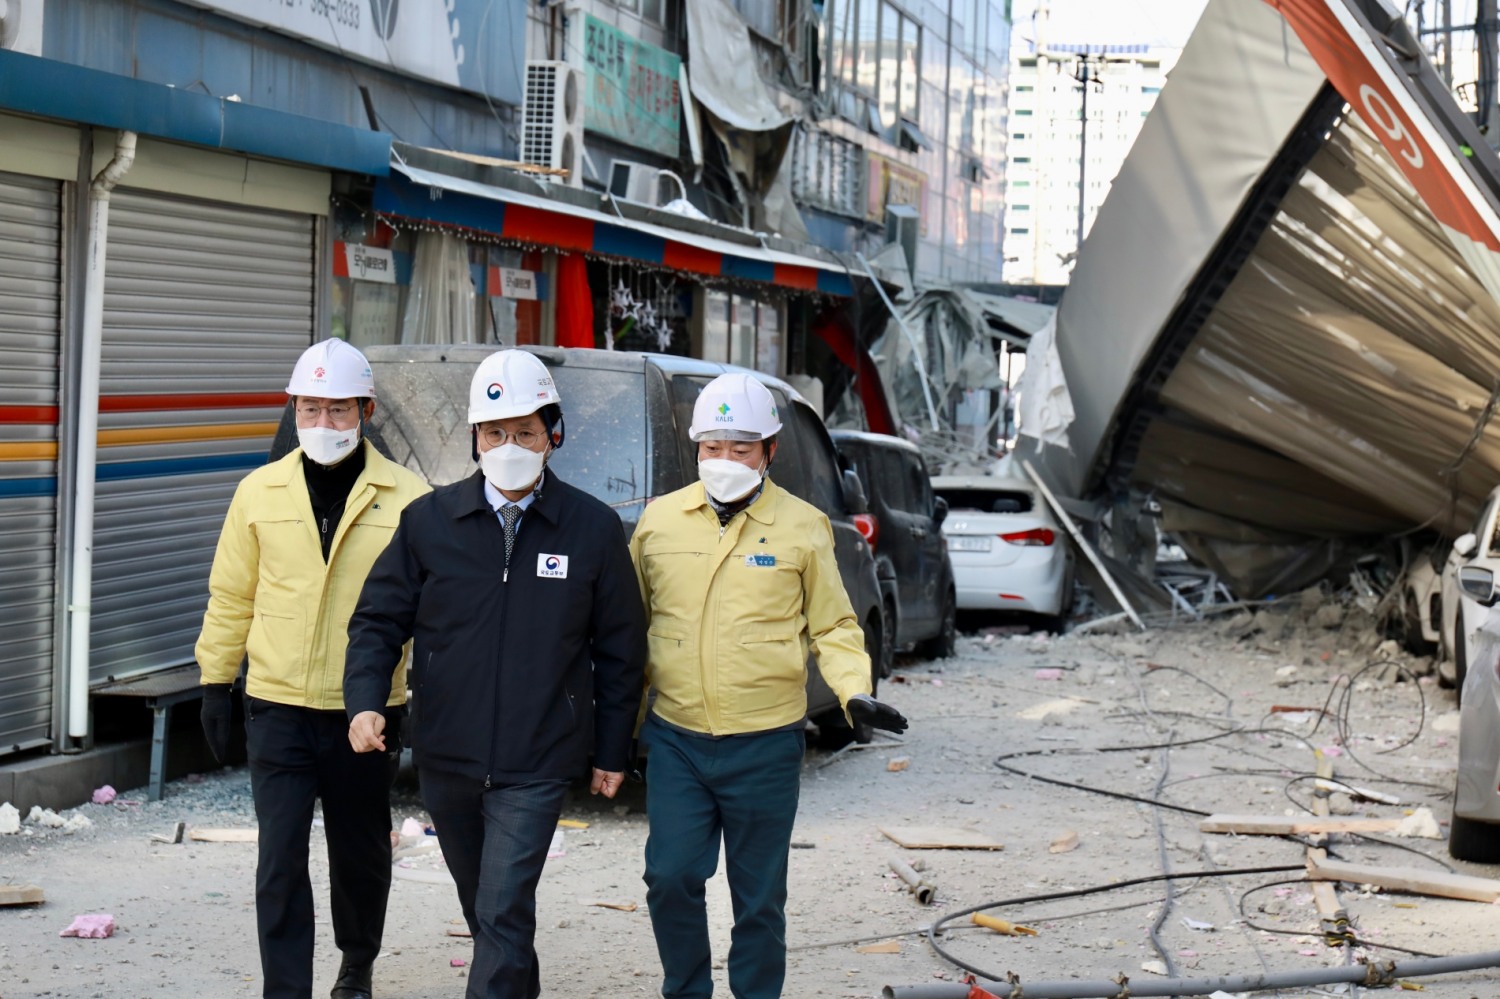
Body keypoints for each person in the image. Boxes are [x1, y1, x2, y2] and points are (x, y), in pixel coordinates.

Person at [343, 349, 646, 999]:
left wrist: (613, 748)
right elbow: (377, 620)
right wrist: (366, 701)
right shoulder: (430, 521)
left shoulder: (591, 529)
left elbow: (622, 648)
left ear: (553, 435)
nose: (510, 445)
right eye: (495, 432)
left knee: (504, 907)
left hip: (538, 757)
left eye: (526, 432)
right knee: (487, 909)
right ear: (476, 438)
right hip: (447, 754)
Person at [629, 372, 909, 999]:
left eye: (741, 448)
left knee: (758, 899)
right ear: (695, 448)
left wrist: (851, 690)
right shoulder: (659, 525)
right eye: (711, 448)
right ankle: (687, 991)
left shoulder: (803, 528)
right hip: (678, 739)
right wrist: (612, 729)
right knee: (669, 877)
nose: (724, 461)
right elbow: (631, 628)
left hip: (765, 744)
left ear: (770, 451)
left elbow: (835, 623)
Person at [195, 338, 431, 999]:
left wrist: (417, 697)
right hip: (276, 703)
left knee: (359, 853)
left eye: (338, 411)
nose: (323, 425)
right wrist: (215, 680)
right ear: (292, 409)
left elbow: (430, 610)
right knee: (279, 859)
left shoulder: (409, 497)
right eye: (310, 409)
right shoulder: (258, 492)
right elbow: (231, 594)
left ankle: (357, 965)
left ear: (365, 410)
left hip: (365, 711)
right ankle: (286, 987)